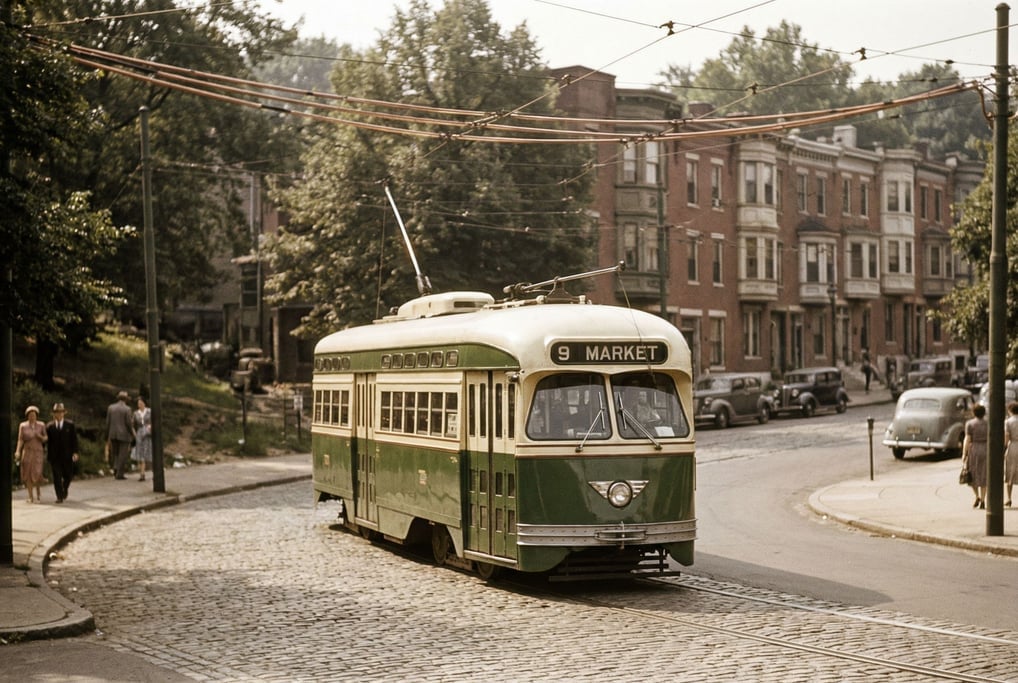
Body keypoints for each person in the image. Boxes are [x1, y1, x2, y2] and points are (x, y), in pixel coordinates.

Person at [46, 402, 80, 503]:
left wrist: (75, 452)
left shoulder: (70, 425)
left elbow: (74, 440)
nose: (59, 414)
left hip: (67, 455)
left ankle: (65, 489)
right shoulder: (50, 426)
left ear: (64, 413)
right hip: (55, 456)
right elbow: (47, 441)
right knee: (56, 477)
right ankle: (59, 496)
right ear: (54, 414)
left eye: (60, 412)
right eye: (56, 412)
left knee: (68, 476)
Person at [15, 405, 48, 503]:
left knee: (37, 472)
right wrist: (18, 451)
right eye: (30, 415)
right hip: (27, 451)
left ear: (36, 416)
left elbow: (46, 437)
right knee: (27, 473)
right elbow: (20, 439)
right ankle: (30, 496)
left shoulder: (41, 425)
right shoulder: (23, 425)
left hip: (38, 451)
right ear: (27, 416)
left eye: (34, 415)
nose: (32, 417)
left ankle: (38, 492)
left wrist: (41, 437)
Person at [962, 403, 989, 509]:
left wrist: (964, 453)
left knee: (972, 474)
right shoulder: (988, 423)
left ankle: (977, 496)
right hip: (986, 449)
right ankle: (983, 499)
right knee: (984, 475)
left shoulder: (970, 424)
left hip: (974, 449)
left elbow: (967, 439)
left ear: (974, 413)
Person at [106, 390, 135, 480]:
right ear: (126, 399)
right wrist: (133, 434)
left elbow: (108, 422)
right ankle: (119, 474)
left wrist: (107, 434)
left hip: (113, 434)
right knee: (123, 454)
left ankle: (115, 468)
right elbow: (129, 424)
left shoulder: (111, 407)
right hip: (124, 435)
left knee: (116, 453)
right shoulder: (127, 409)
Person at [132, 396, 153, 481]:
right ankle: (142, 474)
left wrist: (150, 428)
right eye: (138, 403)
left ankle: (154, 472)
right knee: (141, 454)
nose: (139, 405)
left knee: (148, 452)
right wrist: (135, 434)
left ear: (144, 403)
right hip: (140, 433)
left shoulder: (149, 411)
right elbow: (132, 425)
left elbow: (153, 421)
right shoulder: (136, 413)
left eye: (141, 403)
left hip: (148, 433)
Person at [1004, 401, 1018, 508]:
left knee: (1010, 472)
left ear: (1010, 410)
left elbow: (1007, 436)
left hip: (1013, 446)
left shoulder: (1008, 422)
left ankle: (1009, 498)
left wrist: (1005, 447)